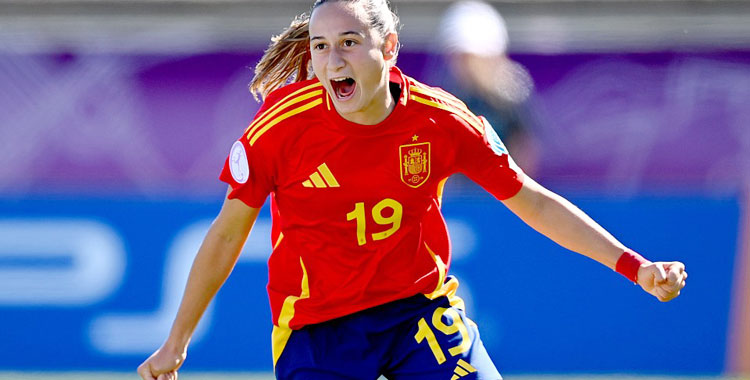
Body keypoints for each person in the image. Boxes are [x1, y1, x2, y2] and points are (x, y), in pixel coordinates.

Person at [137, 1, 688, 379]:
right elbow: (228, 233)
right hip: (317, 326)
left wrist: (634, 267)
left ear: (390, 48)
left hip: (417, 310)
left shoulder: (443, 121)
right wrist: (177, 341)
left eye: (350, 43)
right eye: (323, 46)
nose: (333, 61)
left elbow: (533, 200)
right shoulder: (280, 127)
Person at [435, 0, 540, 175]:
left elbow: (525, 152)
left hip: (502, 195)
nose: (466, 66)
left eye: (471, 57)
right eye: (460, 57)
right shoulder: (445, 97)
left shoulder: (511, 99)